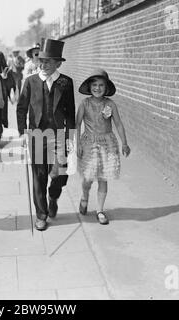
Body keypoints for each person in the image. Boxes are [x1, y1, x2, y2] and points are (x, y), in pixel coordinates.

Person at [17, 39, 75, 231]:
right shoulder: (30, 81)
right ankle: (41, 214)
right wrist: (22, 132)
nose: (43, 64)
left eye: (49, 61)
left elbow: (70, 112)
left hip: (58, 134)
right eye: (41, 60)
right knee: (39, 175)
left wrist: (71, 137)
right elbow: (21, 108)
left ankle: (53, 195)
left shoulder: (65, 83)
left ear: (58, 63)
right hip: (36, 135)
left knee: (60, 173)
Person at [76, 68, 131, 225]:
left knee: (103, 177)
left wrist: (124, 143)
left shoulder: (110, 104)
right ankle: (85, 196)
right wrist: (77, 143)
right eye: (94, 85)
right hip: (89, 143)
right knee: (88, 177)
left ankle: (100, 210)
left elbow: (118, 124)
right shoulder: (85, 103)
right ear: (89, 87)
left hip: (107, 144)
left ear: (106, 87)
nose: (97, 88)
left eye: (101, 85)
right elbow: (77, 123)